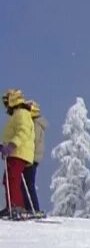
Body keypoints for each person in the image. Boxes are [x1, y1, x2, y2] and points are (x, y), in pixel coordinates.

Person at [3, 89, 43, 219]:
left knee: (13, 179)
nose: (5, 105)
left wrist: (12, 144)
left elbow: (23, 131)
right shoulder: (17, 114)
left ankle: (17, 206)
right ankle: (12, 205)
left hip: (19, 152)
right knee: (8, 179)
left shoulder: (22, 113)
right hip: (14, 152)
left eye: (6, 101)